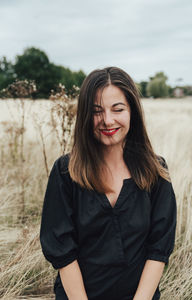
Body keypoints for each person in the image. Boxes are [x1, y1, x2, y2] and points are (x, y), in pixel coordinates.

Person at [40, 66, 177, 300]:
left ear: (132, 111)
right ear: (85, 116)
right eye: (96, 111)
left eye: (118, 109)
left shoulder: (156, 171)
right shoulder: (65, 172)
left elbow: (158, 250)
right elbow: (63, 253)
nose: (107, 120)